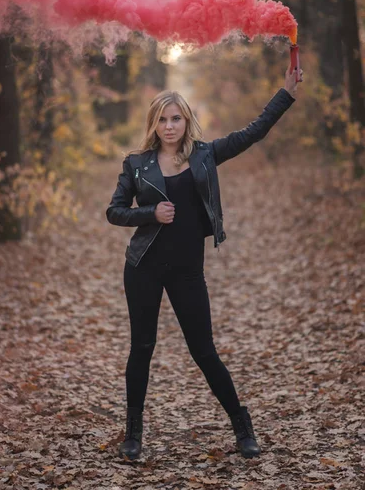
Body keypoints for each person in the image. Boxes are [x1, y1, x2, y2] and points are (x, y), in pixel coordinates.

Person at [106, 65, 303, 460]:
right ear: (153, 123)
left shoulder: (205, 155)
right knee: (142, 347)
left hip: (186, 271)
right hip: (142, 267)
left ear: (187, 120)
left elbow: (254, 132)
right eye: (162, 119)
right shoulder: (136, 164)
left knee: (204, 351)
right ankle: (133, 434)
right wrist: (149, 213)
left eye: (176, 118)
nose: (169, 125)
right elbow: (114, 212)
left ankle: (242, 426)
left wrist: (287, 92)